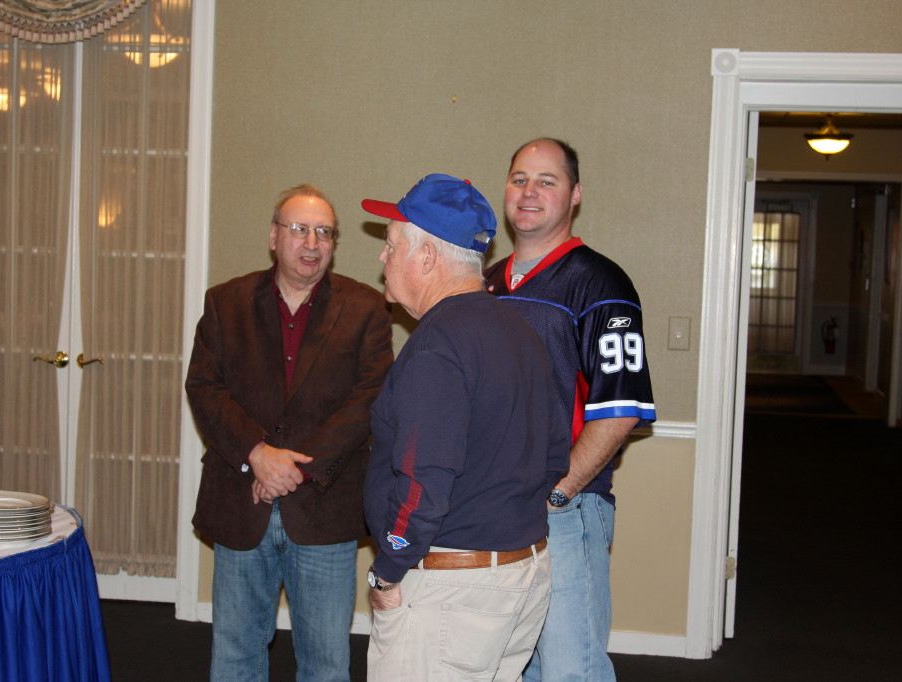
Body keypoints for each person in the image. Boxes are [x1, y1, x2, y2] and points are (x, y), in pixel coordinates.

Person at [361, 173, 570, 681]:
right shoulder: (520, 330)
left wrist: (387, 573)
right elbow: (554, 454)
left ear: (426, 256)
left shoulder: (438, 346)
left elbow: (421, 482)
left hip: (453, 589)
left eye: (391, 245)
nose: (382, 257)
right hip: (523, 573)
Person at [185, 184, 394, 682]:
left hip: (325, 507)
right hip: (241, 503)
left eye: (325, 232)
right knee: (236, 654)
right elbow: (205, 389)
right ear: (274, 237)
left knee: (325, 661)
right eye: (300, 229)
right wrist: (257, 454)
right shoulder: (225, 302)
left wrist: (291, 469)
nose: (312, 243)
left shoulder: (366, 308)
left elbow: (368, 399)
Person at [485, 138, 657, 682]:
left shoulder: (600, 283)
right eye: (519, 179)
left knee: (569, 669)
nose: (528, 192)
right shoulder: (486, 283)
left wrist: (559, 493)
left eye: (547, 181)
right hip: (498, 511)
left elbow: (620, 410)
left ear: (575, 195)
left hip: (565, 510)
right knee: (516, 667)